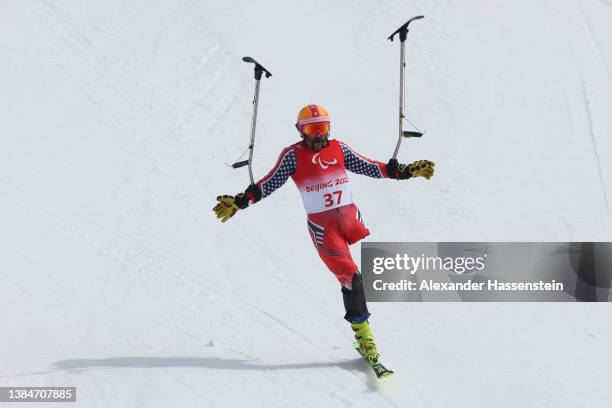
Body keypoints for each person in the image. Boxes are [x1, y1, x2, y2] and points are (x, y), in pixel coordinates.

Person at [213, 104, 434, 365]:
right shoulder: (292, 156)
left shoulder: (338, 148)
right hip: (324, 230)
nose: (319, 135)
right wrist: (242, 201)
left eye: (323, 128)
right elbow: (269, 183)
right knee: (352, 278)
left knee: (353, 277)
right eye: (312, 129)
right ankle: (365, 337)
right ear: (300, 131)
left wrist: (404, 172)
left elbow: (371, 167)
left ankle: (362, 331)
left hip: (350, 219)